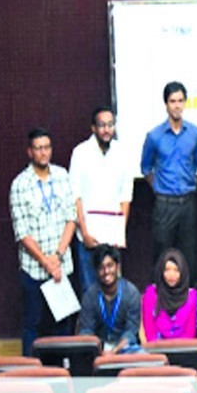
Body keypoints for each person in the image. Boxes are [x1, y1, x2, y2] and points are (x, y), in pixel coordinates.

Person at [10, 128, 77, 356]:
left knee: (64, 326)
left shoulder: (62, 175)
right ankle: (30, 375)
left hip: (61, 267)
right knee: (33, 325)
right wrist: (45, 262)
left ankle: (64, 376)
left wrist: (56, 258)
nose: (43, 152)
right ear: (30, 152)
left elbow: (71, 218)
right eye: (38, 148)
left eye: (47, 147)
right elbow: (22, 233)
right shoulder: (20, 184)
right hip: (34, 271)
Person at [69, 105, 134, 295]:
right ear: (93, 128)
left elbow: (125, 196)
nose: (106, 130)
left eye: (110, 125)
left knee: (114, 293)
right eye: (102, 125)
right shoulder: (80, 153)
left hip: (112, 238)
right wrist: (85, 232)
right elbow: (75, 196)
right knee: (90, 292)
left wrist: (119, 233)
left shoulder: (122, 152)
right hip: (88, 239)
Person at [141, 81, 197, 277]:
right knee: (162, 255)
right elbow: (146, 168)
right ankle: (160, 303)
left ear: (185, 103)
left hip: (188, 202)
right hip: (164, 204)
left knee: (189, 256)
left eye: (180, 101)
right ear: (166, 104)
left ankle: (189, 302)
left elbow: (196, 160)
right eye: (172, 101)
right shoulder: (154, 136)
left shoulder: (194, 133)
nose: (177, 105)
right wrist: (159, 188)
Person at [78, 244, 141, 353]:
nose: (106, 271)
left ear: (118, 266)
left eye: (110, 265)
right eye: (101, 268)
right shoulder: (89, 295)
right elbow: (87, 331)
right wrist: (99, 352)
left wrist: (113, 352)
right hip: (97, 350)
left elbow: (131, 333)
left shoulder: (131, 293)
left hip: (124, 348)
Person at [141, 248, 197, 342]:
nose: (171, 275)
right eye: (167, 270)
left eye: (176, 270)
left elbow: (190, 334)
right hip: (156, 351)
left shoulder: (192, 297)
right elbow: (150, 333)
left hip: (185, 351)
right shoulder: (151, 294)